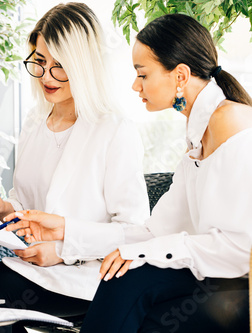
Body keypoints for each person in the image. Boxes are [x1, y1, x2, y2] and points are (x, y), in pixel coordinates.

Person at [0, 3, 149, 332]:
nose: (46, 76)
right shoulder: (35, 120)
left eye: (59, 66)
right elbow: (27, 203)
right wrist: (2, 207)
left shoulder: (114, 130)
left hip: (90, 276)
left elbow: (134, 231)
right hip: (38, 267)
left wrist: (62, 250)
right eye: (40, 62)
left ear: (82, 66)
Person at [73, 14, 251, 332]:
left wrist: (141, 253)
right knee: (141, 306)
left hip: (243, 289)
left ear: (180, 75)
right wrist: (63, 234)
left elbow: (241, 249)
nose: (134, 85)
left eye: (142, 74)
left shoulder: (232, 122)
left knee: (130, 276)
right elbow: (155, 232)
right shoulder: (198, 137)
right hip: (218, 281)